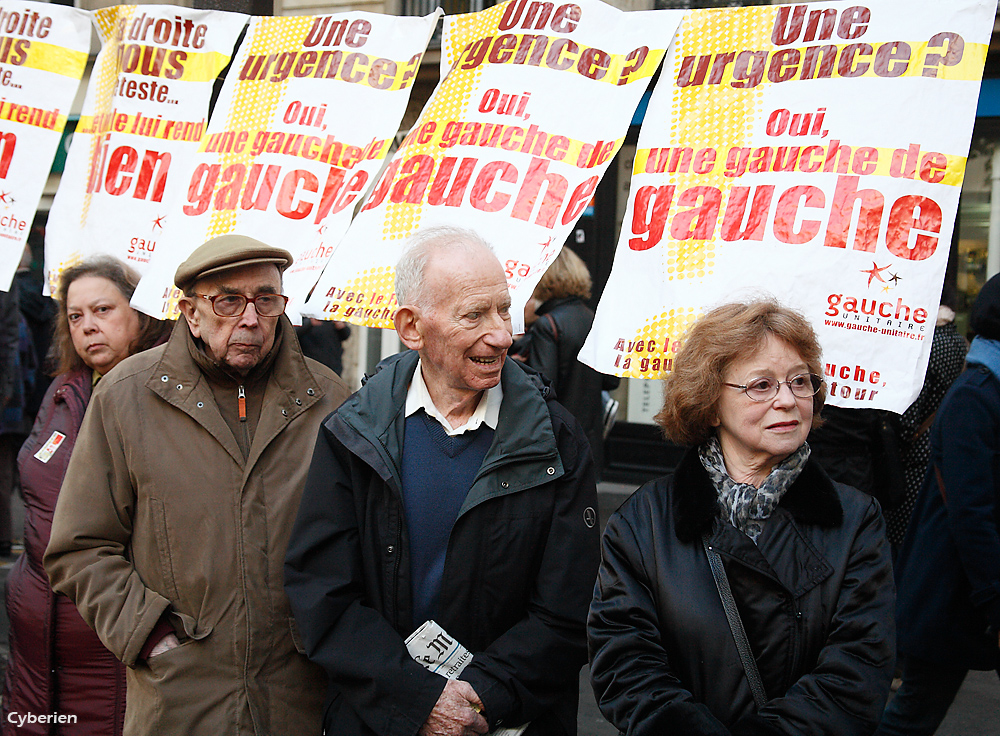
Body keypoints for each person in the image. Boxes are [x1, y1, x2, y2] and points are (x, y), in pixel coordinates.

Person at [284, 226, 601, 736]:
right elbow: (323, 594)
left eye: (504, 308)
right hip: (378, 722)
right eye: (474, 315)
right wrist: (417, 700)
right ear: (411, 327)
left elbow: (568, 611)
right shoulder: (353, 433)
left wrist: (481, 699)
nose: (501, 334)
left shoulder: (556, 441)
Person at [44, 236, 351, 736]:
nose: (250, 318)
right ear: (190, 312)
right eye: (228, 300)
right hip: (179, 700)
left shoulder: (329, 400)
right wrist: (150, 635)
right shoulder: (126, 398)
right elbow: (79, 548)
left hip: (300, 698)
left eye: (266, 299)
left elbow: (355, 546)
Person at [589, 299, 895, 736]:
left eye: (800, 381)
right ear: (710, 404)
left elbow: (858, 669)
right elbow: (625, 663)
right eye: (762, 385)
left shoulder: (855, 520)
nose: (788, 400)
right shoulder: (644, 521)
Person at [3, 255, 169, 735]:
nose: (88, 326)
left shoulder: (162, 394)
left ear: (140, 313)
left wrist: (150, 633)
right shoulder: (63, 391)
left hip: (111, 645)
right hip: (37, 649)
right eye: (76, 316)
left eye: (103, 311)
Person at [876, 276, 1000, 736]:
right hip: (956, 590)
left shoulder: (969, 375)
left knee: (913, 710)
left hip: (962, 584)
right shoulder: (976, 392)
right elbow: (971, 509)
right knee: (913, 713)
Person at [511, 246, 618, 476]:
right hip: (589, 440)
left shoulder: (546, 325)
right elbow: (611, 381)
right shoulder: (593, 319)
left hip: (558, 442)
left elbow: (541, 391)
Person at [884, 293, 967, 554]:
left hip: (918, 446)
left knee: (902, 529)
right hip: (944, 437)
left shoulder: (926, 348)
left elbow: (913, 404)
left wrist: (900, 437)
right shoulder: (961, 342)